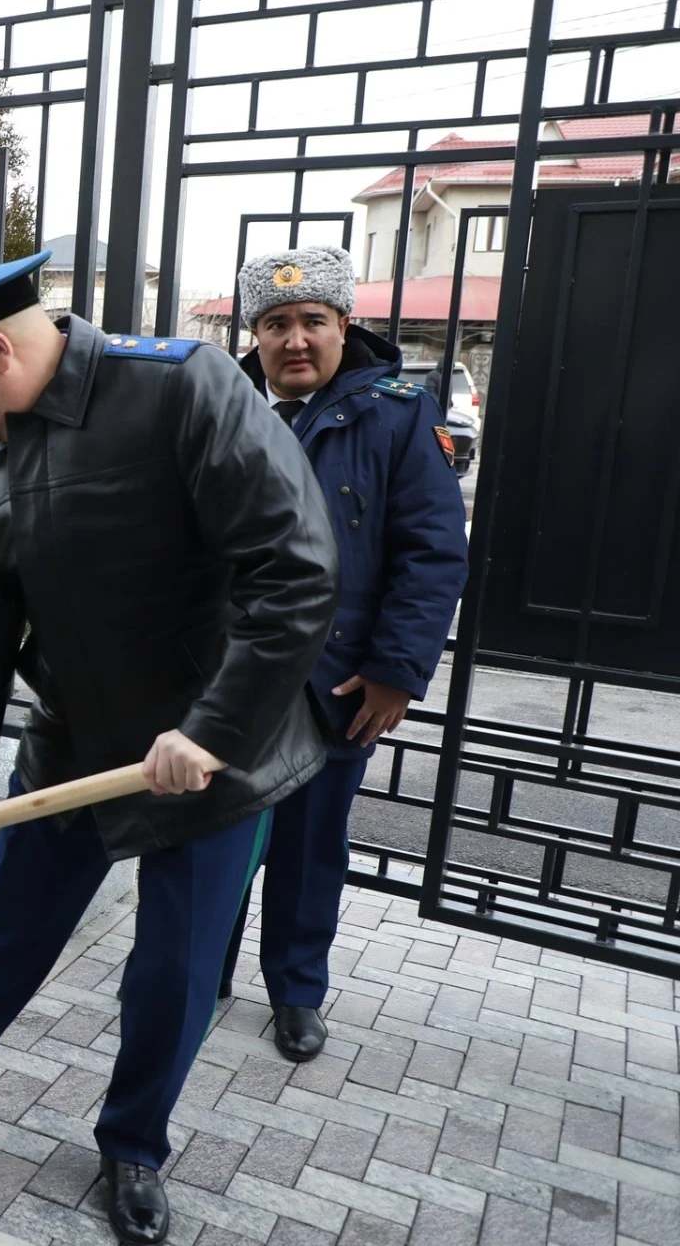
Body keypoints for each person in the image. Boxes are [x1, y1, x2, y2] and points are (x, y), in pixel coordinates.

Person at [0, 251, 338, 1245]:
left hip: (208, 748)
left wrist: (212, 730)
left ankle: (132, 1147)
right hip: (76, 738)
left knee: (172, 969)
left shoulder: (182, 390)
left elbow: (294, 570)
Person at [228, 247, 468, 1061]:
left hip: (333, 680)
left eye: (312, 321)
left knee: (309, 845)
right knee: (209, 832)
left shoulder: (397, 415)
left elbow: (432, 553)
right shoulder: (219, 406)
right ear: (255, 333)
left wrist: (398, 671)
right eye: (276, 323)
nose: (295, 339)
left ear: (344, 325)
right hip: (225, 674)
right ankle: (200, 967)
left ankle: (296, 991)